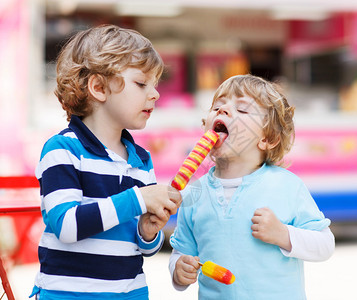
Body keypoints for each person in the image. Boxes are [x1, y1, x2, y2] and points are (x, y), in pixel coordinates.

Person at [31, 24, 182, 299]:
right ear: (99, 87)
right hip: (68, 294)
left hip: (130, 293)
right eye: (141, 83)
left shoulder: (141, 159)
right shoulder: (63, 150)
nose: (155, 94)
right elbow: (67, 225)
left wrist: (148, 232)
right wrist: (138, 199)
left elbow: (145, 249)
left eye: (155, 85)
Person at [169, 74, 335, 299]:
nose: (223, 110)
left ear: (267, 139)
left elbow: (325, 244)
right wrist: (179, 270)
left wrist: (283, 234)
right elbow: (182, 251)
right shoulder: (194, 194)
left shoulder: (286, 186)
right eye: (217, 106)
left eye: (243, 110)